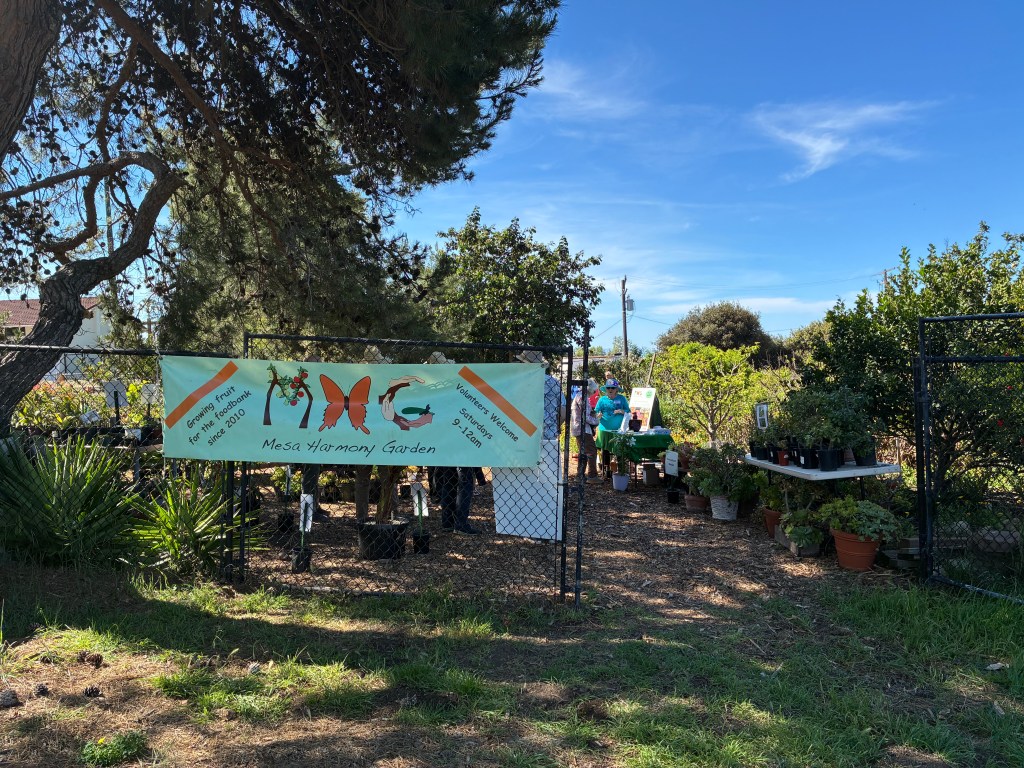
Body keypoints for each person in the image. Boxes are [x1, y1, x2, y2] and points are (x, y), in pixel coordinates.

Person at [594, 378, 630, 478]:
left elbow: (628, 411)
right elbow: (596, 412)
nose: (610, 389)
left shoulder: (622, 399)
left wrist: (621, 411)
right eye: (608, 387)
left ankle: (622, 470)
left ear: (616, 389)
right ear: (605, 389)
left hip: (619, 430)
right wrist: (598, 415)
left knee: (619, 449)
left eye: (613, 388)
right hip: (604, 429)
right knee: (605, 450)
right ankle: (607, 471)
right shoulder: (602, 400)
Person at [571, 379, 601, 482]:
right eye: (594, 391)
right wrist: (596, 421)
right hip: (582, 428)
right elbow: (585, 417)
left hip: (578, 428)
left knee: (582, 452)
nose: (594, 393)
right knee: (591, 451)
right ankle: (592, 475)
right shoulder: (583, 398)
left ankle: (580, 475)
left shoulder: (579, 396)